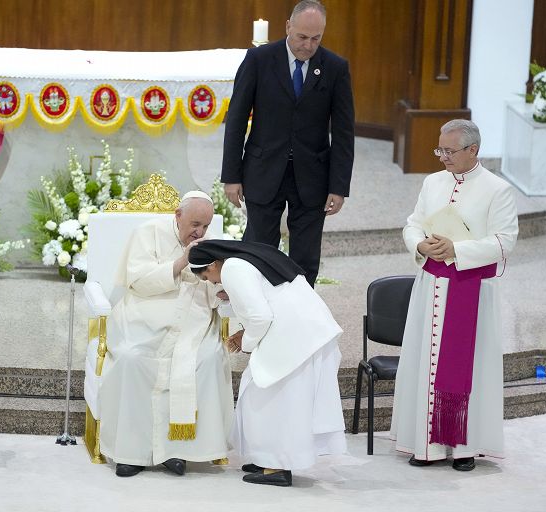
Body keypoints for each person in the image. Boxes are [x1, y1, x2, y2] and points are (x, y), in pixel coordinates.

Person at [390, 120, 519, 471]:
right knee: (425, 363)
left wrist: (457, 248)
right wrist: (419, 242)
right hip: (431, 285)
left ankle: (464, 448)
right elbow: (413, 222)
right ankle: (426, 446)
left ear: (473, 150)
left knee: (469, 367)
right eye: (440, 150)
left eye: (449, 151)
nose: (442, 157)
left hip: (471, 289)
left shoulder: (497, 190)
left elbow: (504, 241)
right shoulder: (433, 182)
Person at [97, 191, 235, 477]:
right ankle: (131, 452)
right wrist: (182, 261)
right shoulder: (147, 233)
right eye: (196, 224)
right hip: (143, 314)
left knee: (207, 358)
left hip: (193, 320)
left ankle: (179, 451)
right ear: (178, 215)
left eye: (206, 226)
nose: (200, 232)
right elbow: (138, 281)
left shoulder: (209, 242)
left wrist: (221, 287)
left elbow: (212, 286)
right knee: (131, 358)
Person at [188, 239, 346, 486]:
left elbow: (260, 317)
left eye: (209, 276)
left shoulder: (232, 268)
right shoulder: (243, 259)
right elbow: (267, 292)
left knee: (270, 401)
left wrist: (245, 342)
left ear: (213, 264)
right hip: (306, 331)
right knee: (276, 401)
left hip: (296, 336)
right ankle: (267, 459)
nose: (214, 282)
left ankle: (277, 468)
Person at [221, 0, 354, 287]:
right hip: (263, 169)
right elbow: (236, 119)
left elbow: (344, 132)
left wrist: (339, 186)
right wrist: (231, 176)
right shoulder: (259, 60)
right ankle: (257, 315)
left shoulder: (335, 67)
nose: (308, 45)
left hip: (312, 175)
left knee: (305, 258)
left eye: (316, 38)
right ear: (288, 27)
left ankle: (300, 319)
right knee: (258, 250)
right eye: (302, 37)